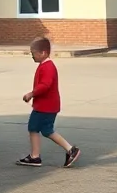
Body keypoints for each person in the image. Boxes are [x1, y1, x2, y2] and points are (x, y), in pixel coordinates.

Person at [17, 36, 80, 168]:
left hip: (44, 107)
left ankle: (35, 157)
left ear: (43, 53)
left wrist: (31, 93)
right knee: (46, 130)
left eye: (33, 53)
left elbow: (45, 85)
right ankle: (70, 149)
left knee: (33, 128)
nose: (32, 56)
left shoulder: (48, 67)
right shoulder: (45, 65)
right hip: (49, 106)